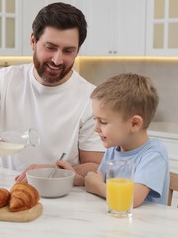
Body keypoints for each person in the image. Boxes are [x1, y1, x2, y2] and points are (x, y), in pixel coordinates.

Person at [0, 2, 105, 184]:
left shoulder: (91, 98)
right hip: (10, 186)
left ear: (78, 50)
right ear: (33, 41)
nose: (57, 59)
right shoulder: (8, 79)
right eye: (50, 47)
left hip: (64, 194)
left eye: (68, 51)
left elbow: (95, 166)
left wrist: (50, 173)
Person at [58, 73, 169, 207]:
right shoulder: (113, 148)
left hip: (144, 225)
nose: (96, 128)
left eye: (103, 122)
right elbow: (99, 181)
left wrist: (97, 186)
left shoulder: (153, 154)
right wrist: (80, 180)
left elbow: (132, 198)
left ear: (134, 124)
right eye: (95, 119)